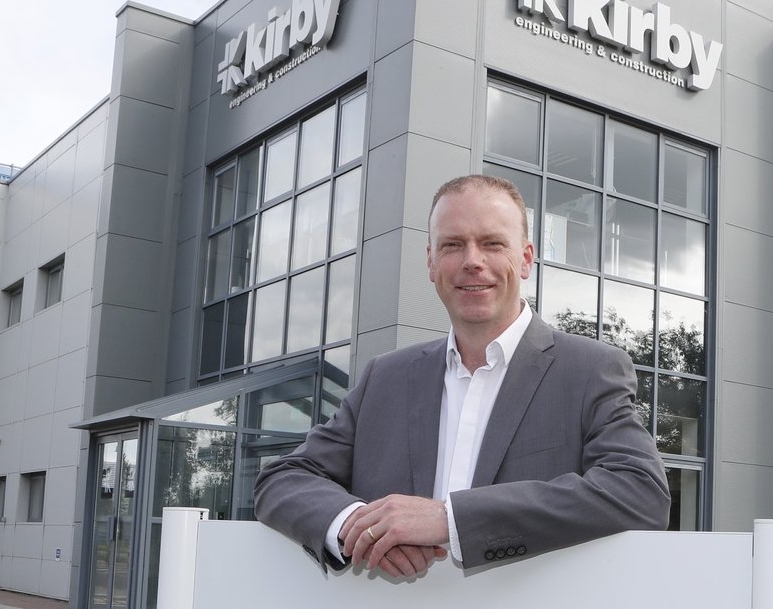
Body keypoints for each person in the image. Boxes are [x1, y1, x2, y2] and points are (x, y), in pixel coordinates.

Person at [254, 174, 669, 577]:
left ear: (525, 259)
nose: (473, 261)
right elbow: (284, 478)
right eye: (453, 245)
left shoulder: (589, 370)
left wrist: (448, 519)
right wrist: (355, 523)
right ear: (431, 262)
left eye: (492, 244)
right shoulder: (386, 377)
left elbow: (640, 492)